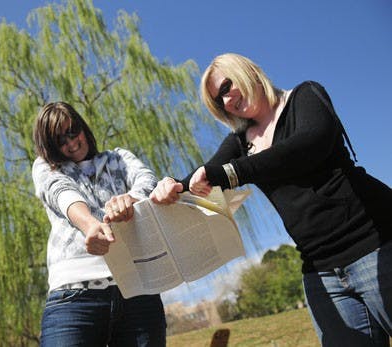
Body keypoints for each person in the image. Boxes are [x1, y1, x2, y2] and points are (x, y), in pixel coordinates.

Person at [150, 53, 392, 346]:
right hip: (320, 269)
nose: (227, 100)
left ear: (248, 71)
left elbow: (310, 144)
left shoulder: (305, 96)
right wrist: (171, 186)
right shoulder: (240, 142)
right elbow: (201, 177)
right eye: (218, 100)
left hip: (376, 242)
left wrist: (231, 173)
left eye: (227, 87)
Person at [32, 101, 166, 346]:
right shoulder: (46, 167)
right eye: (61, 141)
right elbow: (59, 191)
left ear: (83, 127)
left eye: (73, 132)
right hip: (73, 296)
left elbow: (147, 180)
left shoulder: (119, 158)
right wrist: (88, 225)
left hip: (137, 291)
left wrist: (131, 198)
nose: (71, 144)